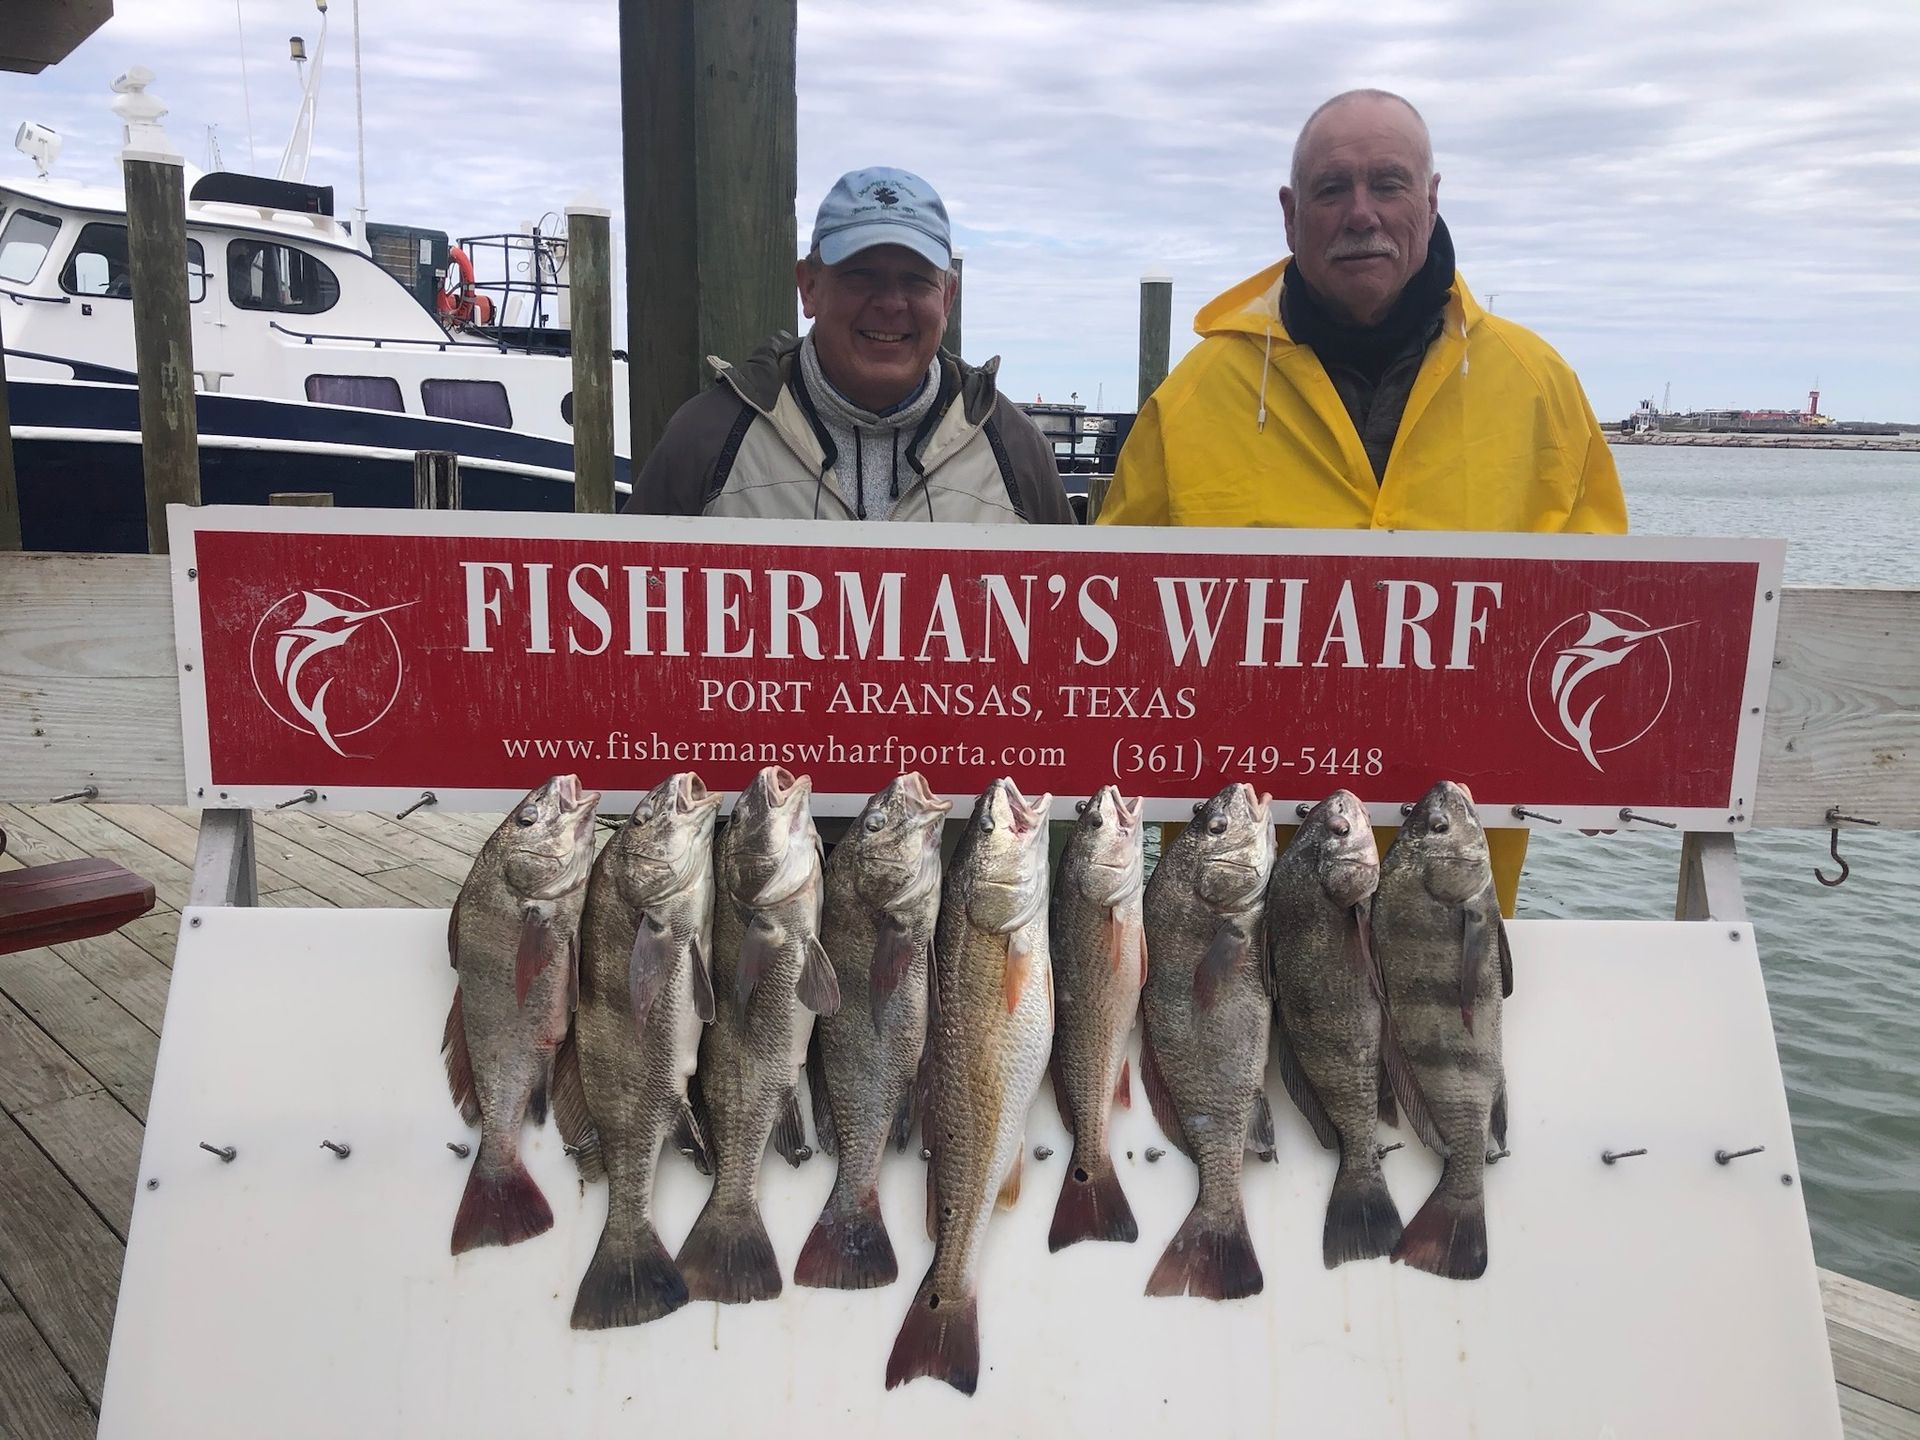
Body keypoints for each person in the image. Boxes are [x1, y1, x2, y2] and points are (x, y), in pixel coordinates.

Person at [1098, 90, 1628, 914]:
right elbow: (1110, 629)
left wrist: (1611, 767)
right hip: (1235, 909)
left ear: (1431, 199)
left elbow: (1603, 620)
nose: (1360, 213)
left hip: (1450, 904)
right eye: (1331, 188)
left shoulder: (1538, 387)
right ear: (1289, 213)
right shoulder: (1192, 396)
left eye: (1388, 183)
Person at [626, 165, 1072, 525]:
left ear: (948, 297)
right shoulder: (709, 437)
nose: (891, 303)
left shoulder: (1015, 448)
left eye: (915, 280)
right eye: (862, 275)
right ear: (810, 287)